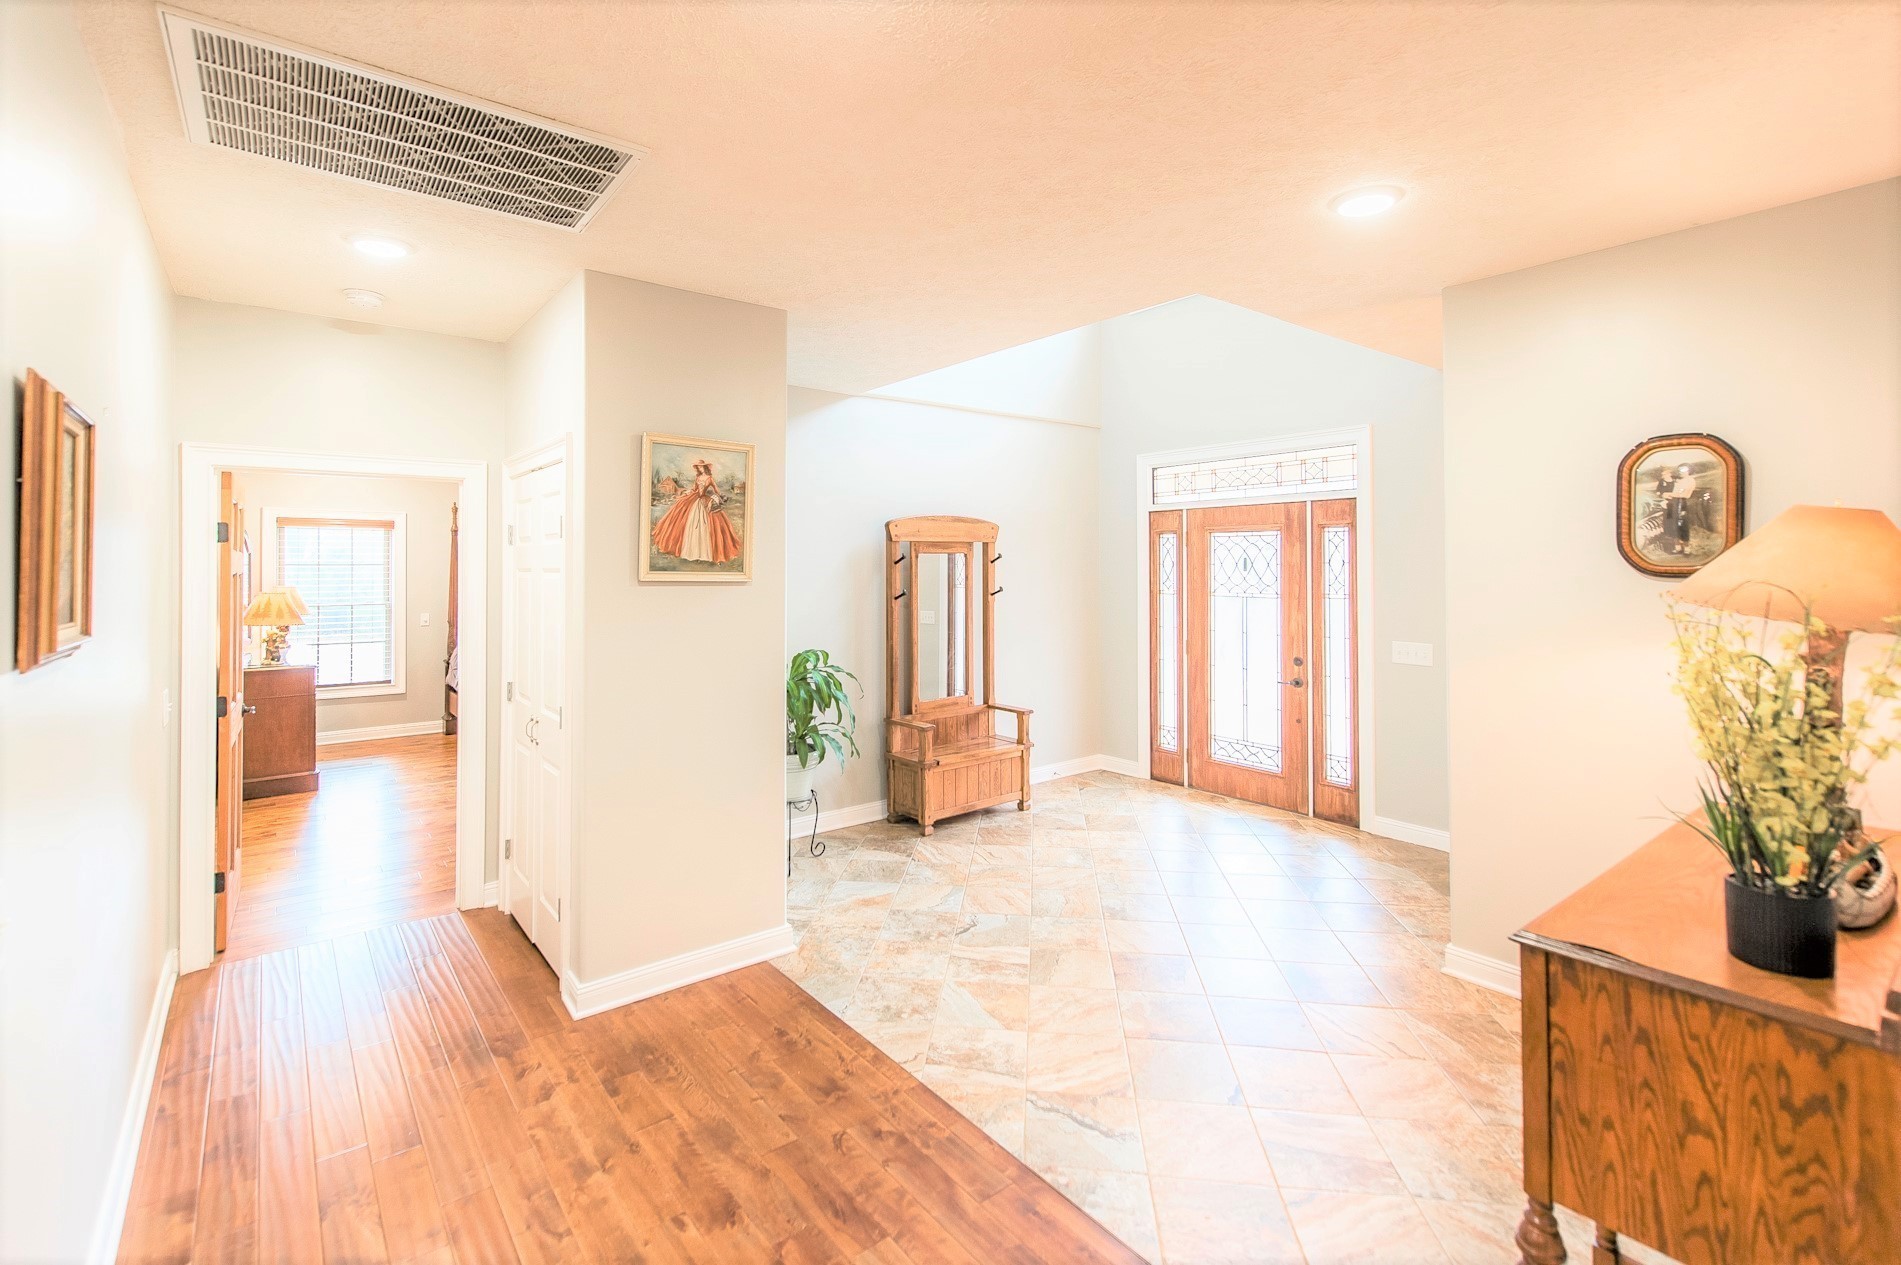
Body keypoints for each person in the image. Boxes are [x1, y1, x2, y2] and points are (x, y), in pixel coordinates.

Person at [651, 458, 741, 564]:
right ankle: (692, 552)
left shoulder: (710, 479)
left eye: (701, 467)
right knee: (686, 519)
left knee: (710, 523)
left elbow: (716, 490)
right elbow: (694, 489)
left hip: (705, 500)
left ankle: (705, 553)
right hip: (695, 499)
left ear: (705, 467)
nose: (699, 468)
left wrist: (717, 498)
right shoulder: (697, 477)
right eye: (698, 467)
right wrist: (687, 492)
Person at [1658, 463, 1696, 555]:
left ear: (1688, 471)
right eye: (1679, 470)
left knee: (1683, 525)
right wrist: (1663, 495)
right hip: (1672, 503)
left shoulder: (1690, 480)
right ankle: (1677, 547)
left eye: (1683, 470)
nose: (1681, 472)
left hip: (1682, 504)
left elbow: (1686, 495)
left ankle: (1686, 548)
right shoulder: (1677, 480)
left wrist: (1669, 494)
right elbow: (1665, 488)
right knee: (1673, 525)